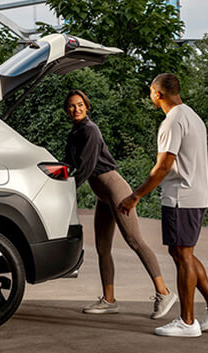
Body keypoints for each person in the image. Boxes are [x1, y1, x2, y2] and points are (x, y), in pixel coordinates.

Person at [118, 73, 208, 337]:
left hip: (182, 196)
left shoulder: (172, 122)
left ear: (157, 94)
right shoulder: (192, 116)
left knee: (182, 256)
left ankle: (187, 321)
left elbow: (163, 167)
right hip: (195, 194)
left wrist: (135, 196)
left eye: (151, 92)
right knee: (183, 253)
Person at [62, 89, 176, 319]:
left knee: (135, 240)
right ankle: (109, 300)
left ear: (87, 106)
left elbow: (86, 166)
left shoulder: (90, 131)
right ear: (67, 110)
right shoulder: (74, 133)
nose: (76, 109)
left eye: (80, 105)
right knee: (103, 247)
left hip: (115, 188)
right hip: (102, 194)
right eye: (72, 106)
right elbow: (67, 163)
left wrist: (67, 190)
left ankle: (164, 293)